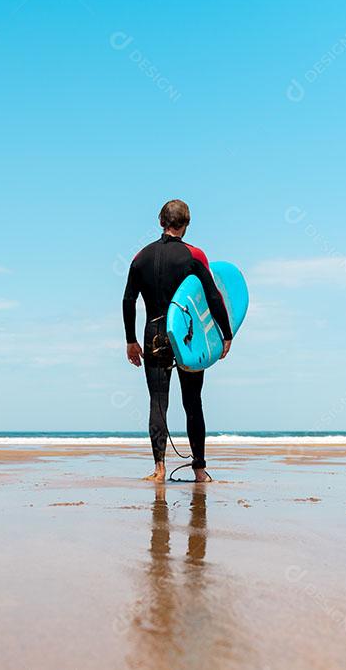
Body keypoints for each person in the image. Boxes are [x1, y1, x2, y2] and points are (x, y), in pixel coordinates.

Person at [122, 199, 232, 482]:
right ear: (186, 224)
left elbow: (128, 300)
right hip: (187, 335)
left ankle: (159, 469)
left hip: (154, 334)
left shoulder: (140, 257)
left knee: (158, 402)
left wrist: (130, 340)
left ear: (161, 221)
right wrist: (225, 333)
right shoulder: (194, 255)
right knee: (192, 401)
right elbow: (212, 296)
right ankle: (199, 470)